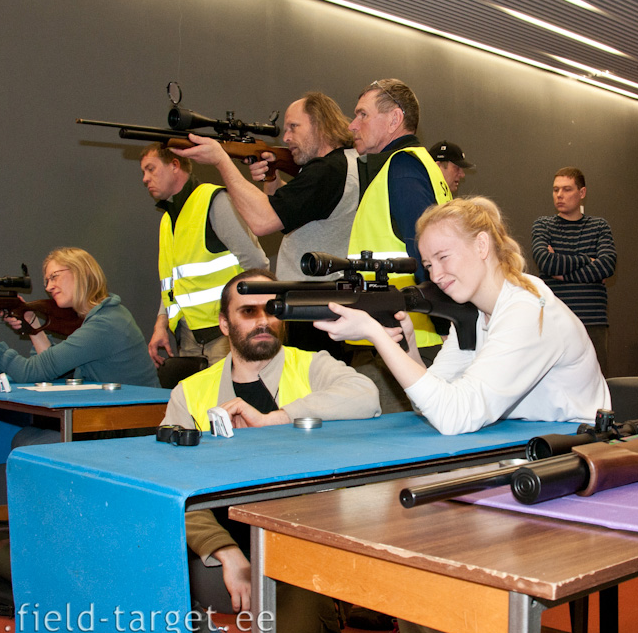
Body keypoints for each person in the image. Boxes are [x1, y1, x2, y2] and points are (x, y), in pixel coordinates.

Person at [315, 196, 610, 633]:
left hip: (571, 467)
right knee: (401, 502)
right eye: (428, 264)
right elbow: (438, 397)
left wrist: (375, 335)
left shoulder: (527, 310)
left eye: (444, 257)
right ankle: (447, 631)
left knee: (417, 515)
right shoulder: (480, 313)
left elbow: (453, 416)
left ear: (482, 244)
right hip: (520, 455)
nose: (437, 273)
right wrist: (404, 343)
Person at [161, 268, 380, 633]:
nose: (262, 320)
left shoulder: (312, 365)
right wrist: (225, 551)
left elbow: (366, 397)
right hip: (221, 548)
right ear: (225, 324)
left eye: (271, 310)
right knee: (145, 558)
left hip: (299, 548)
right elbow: (168, 489)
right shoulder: (189, 392)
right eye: (248, 311)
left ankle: (323, 620)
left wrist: (277, 419)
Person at [171, 92, 360, 355]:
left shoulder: (327, 171)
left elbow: (262, 221)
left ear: (320, 125)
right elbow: (294, 214)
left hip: (314, 306)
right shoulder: (343, 164)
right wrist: (271, 179)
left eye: (294, 127)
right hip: (321, 301)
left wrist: (222, 161)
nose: (286, 137)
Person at [0, 247, 160, 445]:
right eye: (46, 281)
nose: (49, 287)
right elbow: (50, 369)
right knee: (26, 439)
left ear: (81, 272)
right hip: (111, 420)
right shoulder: (105, 315)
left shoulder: (105, 323)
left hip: (130, 429)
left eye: (54, 277)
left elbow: (30, 372)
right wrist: (33, 324)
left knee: (30, 444)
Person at [344, 79, 453, 412]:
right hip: (403, 333)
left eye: (362, 114)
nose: (352, 125)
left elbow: (427, 255)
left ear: (394, 120)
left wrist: (445, 323)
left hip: (404, 340)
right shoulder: (414, 166)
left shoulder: (402, 167)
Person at [140, 142, 267, 369]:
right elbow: (172, 283)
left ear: (174, 165)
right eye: (143, 172)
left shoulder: (214, 201)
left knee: (229, 403)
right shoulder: (167, 220)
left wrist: (242, 318)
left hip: (225, 336)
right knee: (198, 404)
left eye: (151, 169)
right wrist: (161, 323)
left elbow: (257, 264)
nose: (145, 178)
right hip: (189, 338)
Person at [531, 167, 617, 374]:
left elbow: (607, 265)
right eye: (555, 190)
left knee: (596, 387)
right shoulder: (543, 225)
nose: (560, 195)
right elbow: (547, 263)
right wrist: (587, 259)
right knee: (553, 386)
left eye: (567, 189)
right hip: (555, 322)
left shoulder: (599, 226)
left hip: (592, 322)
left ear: (582, 193)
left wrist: (562, 273)